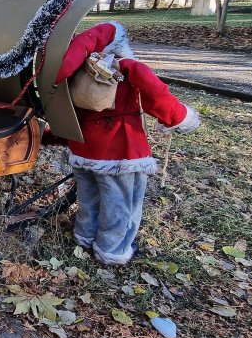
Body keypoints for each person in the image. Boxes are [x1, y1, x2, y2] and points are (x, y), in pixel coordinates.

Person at [55, 22, 200, 265]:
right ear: (120, 43)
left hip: (83, 147)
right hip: (120, 151)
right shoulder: (127, 67)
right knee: (122, 203)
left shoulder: (81, 72)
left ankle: (84, 236)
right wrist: (181, 117)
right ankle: (112, 249)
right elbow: (157, 95)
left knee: (89, 197)